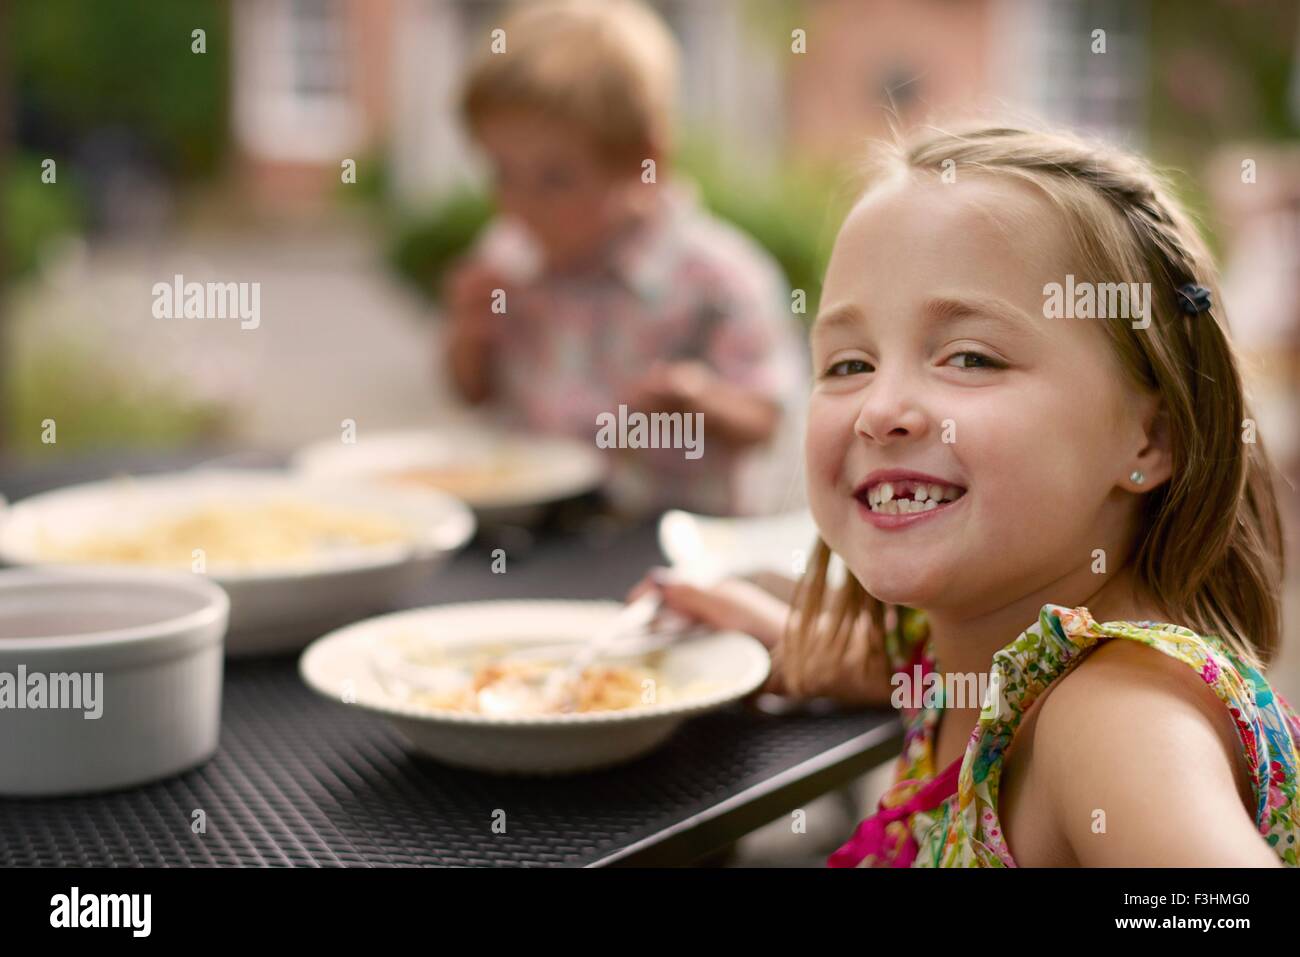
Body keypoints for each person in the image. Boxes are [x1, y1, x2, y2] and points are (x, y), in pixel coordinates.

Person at [630, 123, 1300, 866]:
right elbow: (922, 672)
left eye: (971, 357)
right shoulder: (978, 645)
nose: (880, 410)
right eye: (849, 363)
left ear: (1153, 440)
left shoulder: (1113, 721)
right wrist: (790, 645)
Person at [443, 0, 807, 516]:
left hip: (668, 538)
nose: (519, 204)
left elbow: (767, 421)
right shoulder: (507, 255)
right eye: (502, 173)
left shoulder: (720, 277)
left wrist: (697, 398)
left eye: (554, 179)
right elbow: (471, 391)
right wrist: (465, 338)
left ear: (645, 162)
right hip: (537, 534)